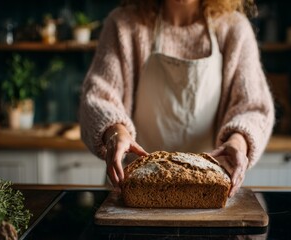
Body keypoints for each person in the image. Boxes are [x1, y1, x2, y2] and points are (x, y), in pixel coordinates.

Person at [79, 0, 275, 197]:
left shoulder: (234, 28)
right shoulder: (123, 24)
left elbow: (253, 108)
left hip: (209, 187)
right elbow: (97, 97)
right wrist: (115, 133)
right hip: (134, 185)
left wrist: (238, 142)